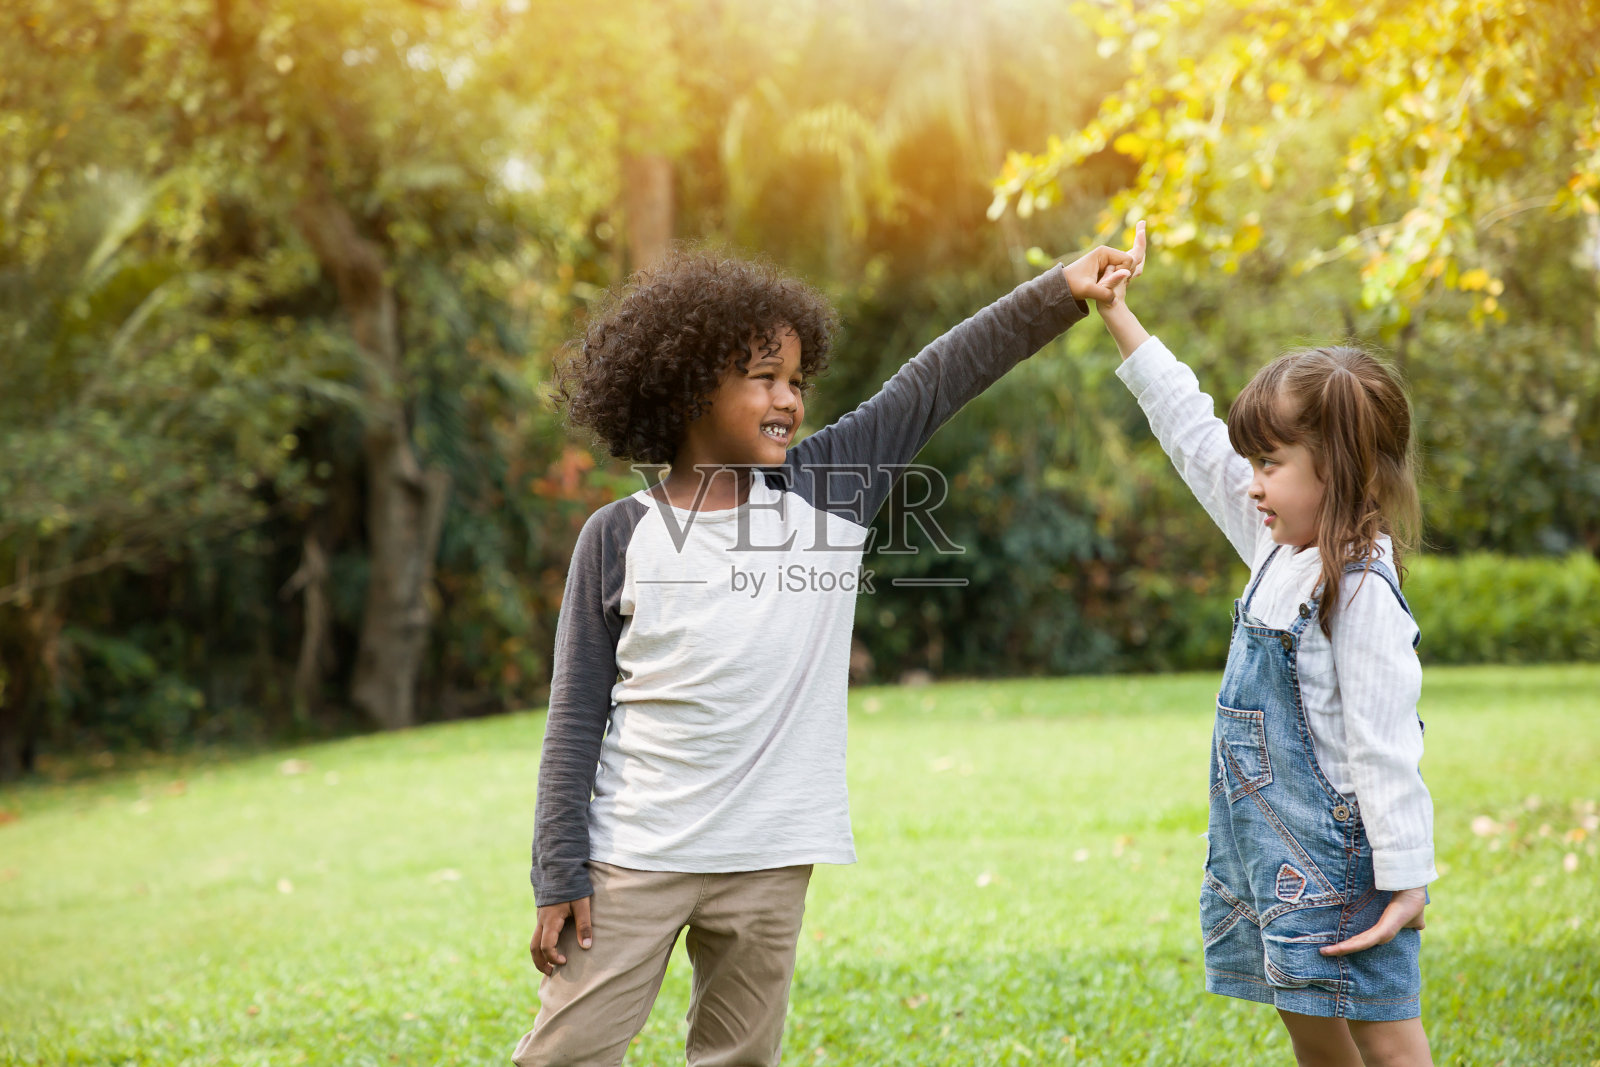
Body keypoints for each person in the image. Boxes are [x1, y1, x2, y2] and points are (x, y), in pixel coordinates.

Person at [513, 242, 1139, 1067]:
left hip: (770, 858)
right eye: (764, 377)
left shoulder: (829, 487)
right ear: (692, 382)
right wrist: (559, 867)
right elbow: (574, 719)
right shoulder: (619, 534)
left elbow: (941, 373)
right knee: (563, 1056)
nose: (788, 399)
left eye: (797, 381)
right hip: (635, 854)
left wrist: (1060, 292)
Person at [1093, 223, 1436, 1066]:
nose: (1251, 481)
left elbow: (1387, 743)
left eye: (1272, 463)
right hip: (1266, 852)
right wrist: (1118, 317)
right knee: (1311, 1034)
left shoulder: (1359, 585)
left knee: (1386, 1039)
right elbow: (1193, 433)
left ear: (1342, 468)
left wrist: (1406, 874)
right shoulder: (1278, 546)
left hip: (1341, 859)